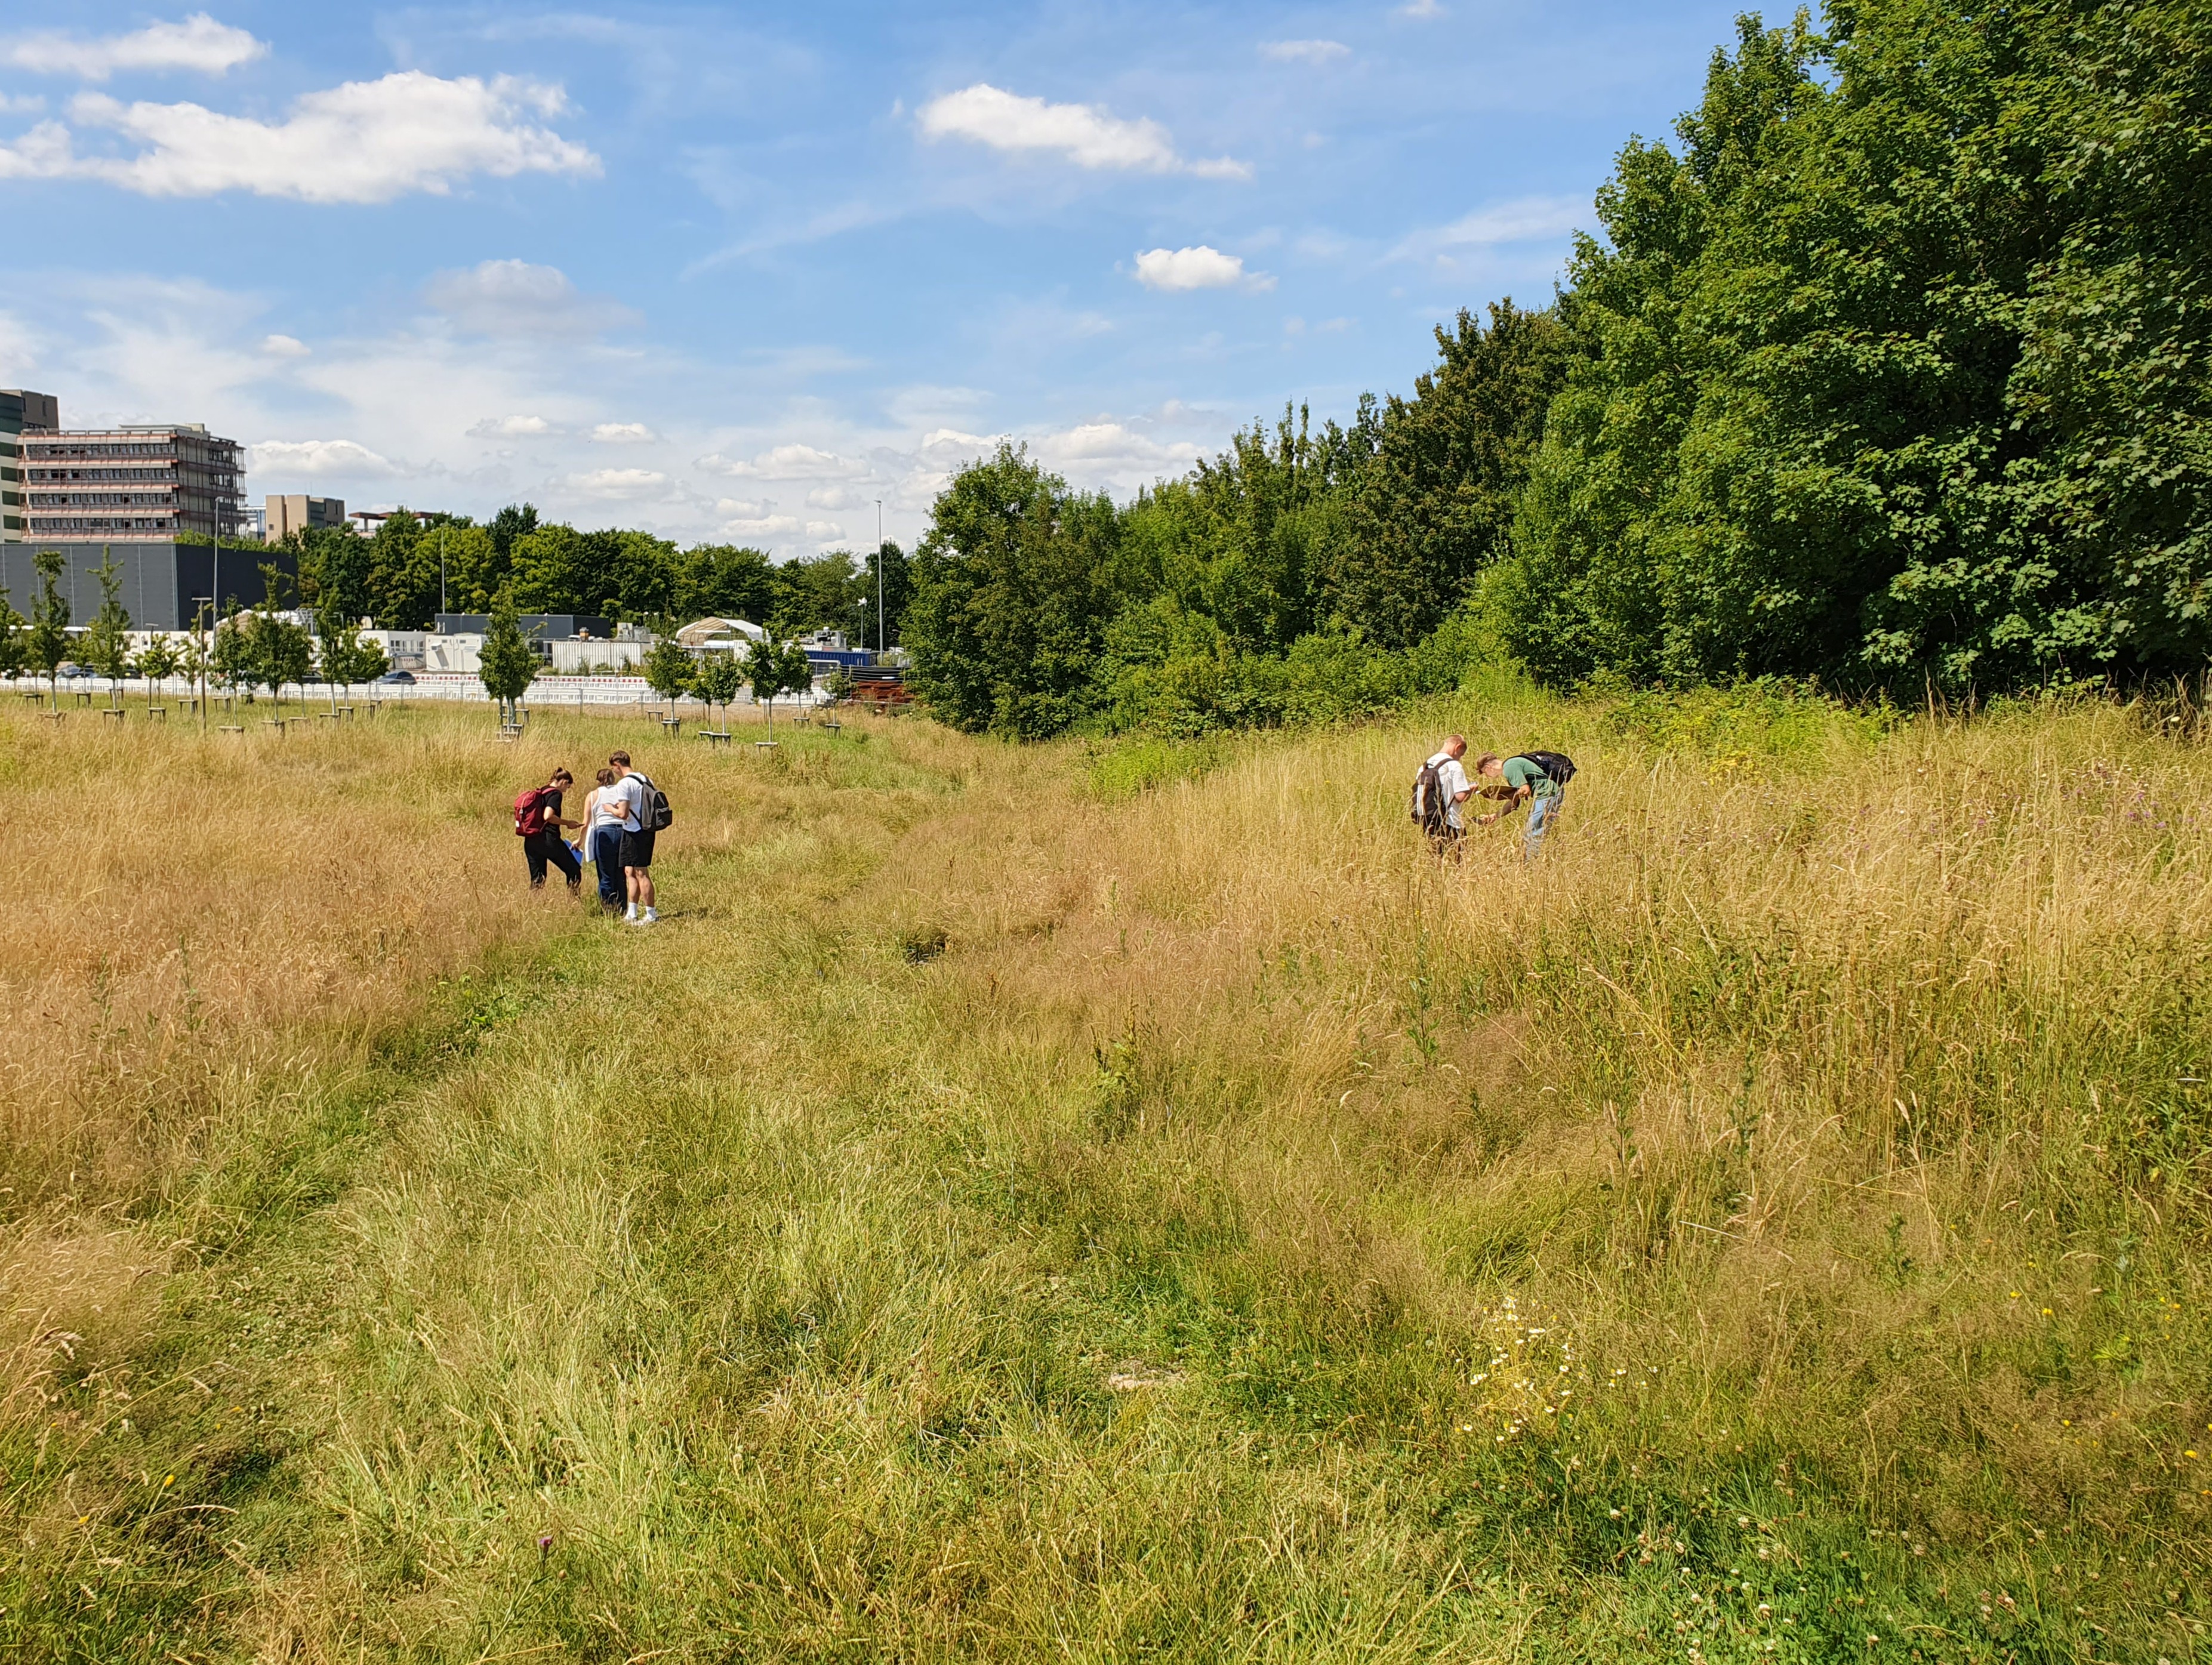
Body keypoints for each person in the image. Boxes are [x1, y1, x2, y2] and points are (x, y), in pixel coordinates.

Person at [1473, 750, 1572, 858]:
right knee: (1535, 829)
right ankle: (1532, 859)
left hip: (1547, 795)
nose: (1488, 777)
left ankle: (1529, 864)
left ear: (1488, 768)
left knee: (1533, 831)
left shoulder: (1509, 768)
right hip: (1551, 793)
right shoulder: (1512, 764)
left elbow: (1525, 790)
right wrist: (1496, 816)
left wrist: (1507, 793)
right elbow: (1515, 802)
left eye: (1485, 773)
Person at [608, 750, 658, 926]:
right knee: (630, 871)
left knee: (640, 872)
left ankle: (651, 915)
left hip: (635, 831)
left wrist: (609, 809)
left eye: (614, 768)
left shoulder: (624, 784)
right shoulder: (645, 779)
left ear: (617, 765)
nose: (614, 771)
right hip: (645, 828)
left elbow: (622, 813)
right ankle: (632, 912)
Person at [517, 768, 583, 892]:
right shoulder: (556, 794)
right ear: (564, 782)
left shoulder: (542, 791)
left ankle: (533, 906)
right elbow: (548, 816)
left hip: (531, 840)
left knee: (538, 880)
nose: (566, 790)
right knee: (574, 871)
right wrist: (568, 823)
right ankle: (574, 902)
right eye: (567, 787)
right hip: (548, 840)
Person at [1413, 735, 1478, 857]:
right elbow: (1460, 797)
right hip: (1451, 821)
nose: (1459, 758)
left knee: (1437, 859)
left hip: (1429, 820)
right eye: (1461, 755)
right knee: (1458, 861)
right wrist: (1471, 790)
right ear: (1457, 748)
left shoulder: (1424, 766)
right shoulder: (1454, 765)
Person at [580, 766, 626, 912]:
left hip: (604, 832)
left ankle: (607, 908)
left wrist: (579, 840)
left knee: (605, 873)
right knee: (621, 872)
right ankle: (623, 907)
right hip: (623, 831)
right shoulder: (621, 791)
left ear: (598, 780)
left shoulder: (593, 795)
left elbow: (585, 823)